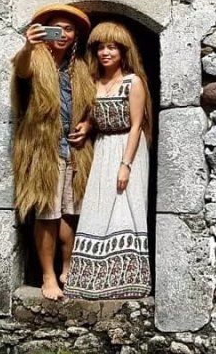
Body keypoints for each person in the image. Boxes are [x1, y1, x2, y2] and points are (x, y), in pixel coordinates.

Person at [11, 3, 95, 301]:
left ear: (75, 36)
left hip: (75, 150)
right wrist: (26, 46)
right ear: (44, 32)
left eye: (68, 29)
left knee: (71, 214)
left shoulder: (82, 68)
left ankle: (68, 269)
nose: (62, 33)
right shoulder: (34, 59)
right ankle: (48, 275)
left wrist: (87, 124)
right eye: (56, 28)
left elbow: (93, 105)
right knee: (47, 214)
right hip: (43, 150)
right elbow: (20, 72)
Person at [65, 21, 153, 300]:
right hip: (103, 148)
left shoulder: (132, 82)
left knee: (126, 209)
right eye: (101, 47)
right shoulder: (94, 82)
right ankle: (92, 281)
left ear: (122, 52)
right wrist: (87, 127)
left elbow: (137, 125)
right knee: (98, 207)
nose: (106, 53)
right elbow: (95, 115)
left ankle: (128, 281)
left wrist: (125, 165)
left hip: (128, 148)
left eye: (112, 47)